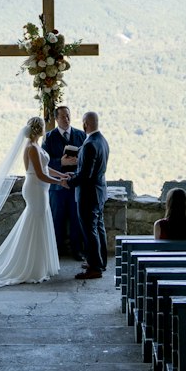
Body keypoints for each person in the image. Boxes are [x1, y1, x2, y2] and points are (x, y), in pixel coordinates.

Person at [0, 116, 69, 288]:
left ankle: (40, 263)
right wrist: (59, 182)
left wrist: (60, 174)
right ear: (39, 129)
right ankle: (31, 266)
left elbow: (46, 167)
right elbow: (40, 174)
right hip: (35, 188)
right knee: (35, 222)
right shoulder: (31, 148)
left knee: (40, 221)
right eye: (43, 126)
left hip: (40, 189)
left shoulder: (36, 146)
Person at [44, 104, 86, 259]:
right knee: (57, 220)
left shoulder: (81, 135)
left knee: (77, 219)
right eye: (62, 116)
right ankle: (56, 252)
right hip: (57, 188)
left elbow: (87, 158)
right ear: (56, 118)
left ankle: (77, 250)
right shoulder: (49, 137)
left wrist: (77, 161)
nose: (66, 119)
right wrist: (61, 163)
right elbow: (44, 163)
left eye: (68, 116)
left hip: (76, 185)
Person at [73, 110, 110, 280]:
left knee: (90, 231)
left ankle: (94, 267)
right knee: (98, 228)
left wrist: (69, 181)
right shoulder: (102, 140)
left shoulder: (89, 144)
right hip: (99, 192)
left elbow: (85, 175)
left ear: (85, 124)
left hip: (88, 194)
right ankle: (99, 261)